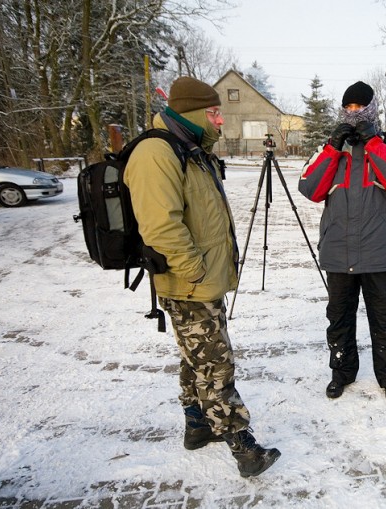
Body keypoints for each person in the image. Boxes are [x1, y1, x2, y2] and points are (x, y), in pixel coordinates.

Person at [124, 76, 281, 478]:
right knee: (215, 363)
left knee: (196, 356)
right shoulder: (157, 153)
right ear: (193, 113)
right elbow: (161, 226)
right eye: (213, 113)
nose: (219, 120)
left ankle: (197, 425)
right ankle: (244, 448)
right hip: (189, 280)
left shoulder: (190, 149)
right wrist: (194, 271)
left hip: (200, 279)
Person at [298, 81, 386, 403]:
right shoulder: (330, 146)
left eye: (360, 107)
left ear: (373, 108)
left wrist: (374, 144)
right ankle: (342, 373)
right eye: (348, 108)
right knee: (339, 319)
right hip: (338, 250)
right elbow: (310, 188)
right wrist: (334, 148)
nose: (354, 113)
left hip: (380, 251)